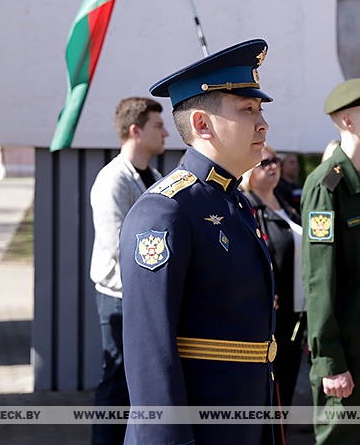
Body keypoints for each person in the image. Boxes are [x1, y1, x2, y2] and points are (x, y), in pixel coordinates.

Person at [120, 39, 276, 445]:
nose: (262, 124)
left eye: (260, 110)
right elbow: (149, 349)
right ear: (203, 125)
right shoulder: (165, 210)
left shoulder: (233, 200)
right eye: (247, 110)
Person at [301, 78, 360, 445]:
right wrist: (330, 361)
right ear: (348, 121)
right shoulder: (327, 185)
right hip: (342, 355)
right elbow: (319, 281)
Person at [89, 97, 167, 445]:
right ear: (135, 130)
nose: (166, 133)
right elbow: (117, 244)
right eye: (158, 126)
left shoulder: (155, 176)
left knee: (139, 380)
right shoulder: (113, 179)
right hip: (119, 297)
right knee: (118, 380)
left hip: (146, 294)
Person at [240, 146, 305, 445]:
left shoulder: (286, 204)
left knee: (286, 392)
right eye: (264, 162)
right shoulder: (246, 206)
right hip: (271, 319)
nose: (272, 166)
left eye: (275, 161)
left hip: (295, 315)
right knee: (269, 398)